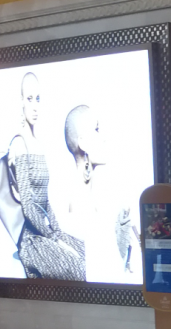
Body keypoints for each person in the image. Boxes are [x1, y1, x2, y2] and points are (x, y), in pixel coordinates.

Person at [8, 72, 85, 280]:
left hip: (46, 231)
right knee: (76, 268)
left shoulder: (38, 145)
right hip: (31, 240)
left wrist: (56, 231)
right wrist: (52, 236)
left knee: (86, 254)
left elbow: (44, 199)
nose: (35, 106)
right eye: (29, 99)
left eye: (38, 99)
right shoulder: (19, 144)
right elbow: (28, 206)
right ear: (21, 101)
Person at [64, 104, 139, 281]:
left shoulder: (92, 197)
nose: (103, 138)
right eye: (96, 129)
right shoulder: (81, 203)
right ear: (83, 143)